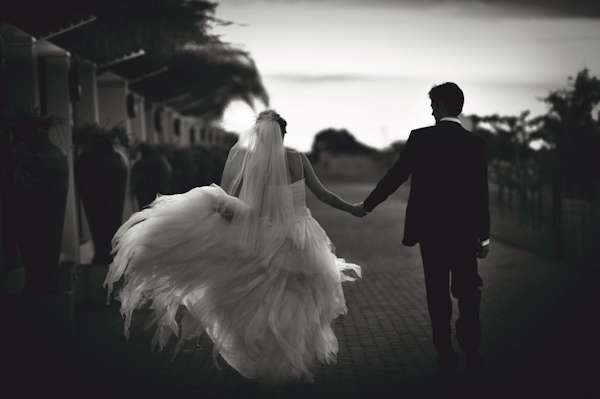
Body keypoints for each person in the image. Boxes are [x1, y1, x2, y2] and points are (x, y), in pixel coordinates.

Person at [104, 109, 364, 386]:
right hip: (303, 235)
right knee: (300, 299)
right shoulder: (298, 159)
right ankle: (294, 358)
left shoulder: (256, 165)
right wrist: (353, 208)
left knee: (268, 299)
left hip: (270, 236)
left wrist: (224, 212)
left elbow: (255, 210)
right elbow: (322, 194)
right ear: (283, 133)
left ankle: (275, 358)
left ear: (260, 137)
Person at [356, 82, 490, 377]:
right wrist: (485, 236)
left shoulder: (420, 138)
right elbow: (480, 194)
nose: (430, 110)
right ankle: (468, 335)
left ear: (441, 106)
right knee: (469, 285)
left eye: (432, 105)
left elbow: (396, 176)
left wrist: (368, 205)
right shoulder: (476, 144)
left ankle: (445, 352)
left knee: (437, 291)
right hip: (465, 231)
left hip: (430, 231)